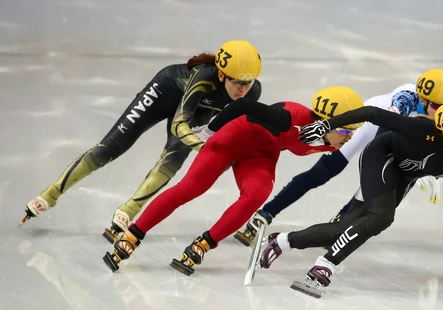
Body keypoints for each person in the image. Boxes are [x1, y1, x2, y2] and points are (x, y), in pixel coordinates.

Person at [20, 40, 263, 244]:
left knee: (173, 161)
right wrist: (206, 147)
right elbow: (179, 125)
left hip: (199, 111)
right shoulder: (203, 77)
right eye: (237, 82)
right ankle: (49, 195)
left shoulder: (252, 92)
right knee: (111, 146)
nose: (243, 89)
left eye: (248, 82)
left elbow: (231, 126)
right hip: (165, 92)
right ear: (221, 74)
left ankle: (128, 211)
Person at [102, 86, 365, 274]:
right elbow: (243, 105)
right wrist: (209, 131)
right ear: (324, 122)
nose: (349, 137)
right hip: (232, 138)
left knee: (257, 195)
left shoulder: (332, 140)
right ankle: (134, 235)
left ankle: (203, 244)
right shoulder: (288, 119)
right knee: (191, 189)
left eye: (353, 130)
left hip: (261, 154)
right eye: (345, 130)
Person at [260, 99, 443, 297]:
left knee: (345, 230)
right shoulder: (419, 130)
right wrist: (326, 124)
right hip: (383, 156)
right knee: (381, 217)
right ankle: (325, 264)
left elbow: (436, 162)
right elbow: (372, 113)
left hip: (405, 176)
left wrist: (431, 174)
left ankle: (284, 241)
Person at [235, 69, 443, 247]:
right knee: (324, 172)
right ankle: (265, 214)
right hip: (370, 124)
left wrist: (431, 170)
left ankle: (340, 223)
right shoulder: (405, 100)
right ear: (423, 99)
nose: (442, 112)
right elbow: (385, 139)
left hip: (399, 133)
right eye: (438, 107)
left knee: (384, 187)